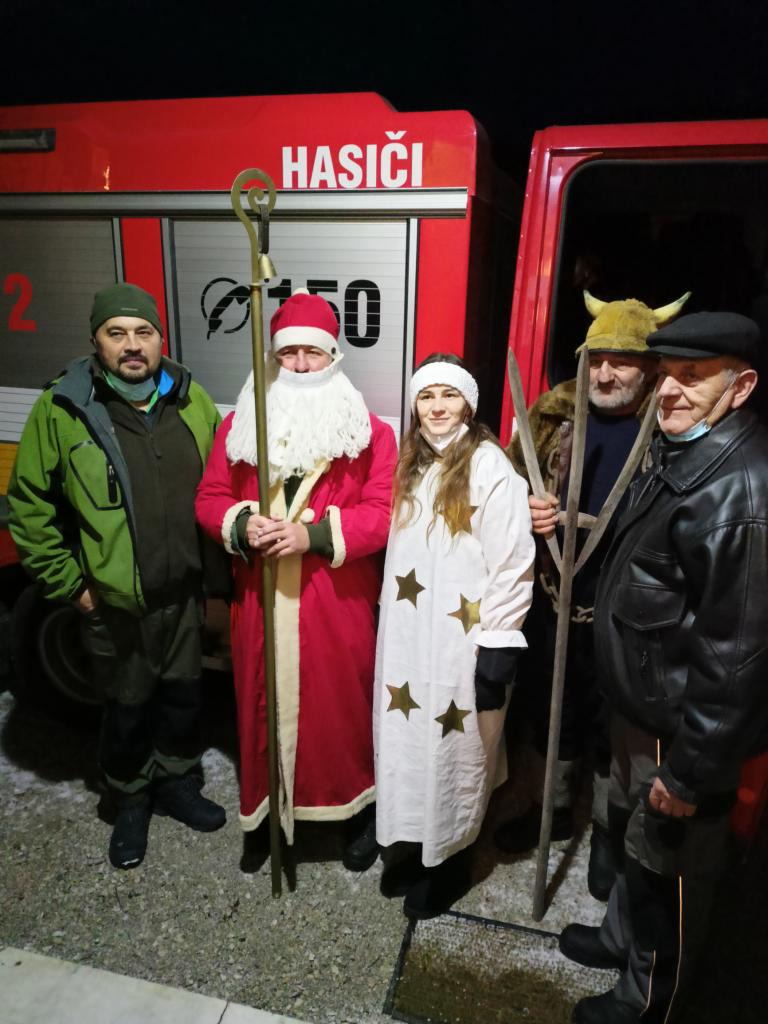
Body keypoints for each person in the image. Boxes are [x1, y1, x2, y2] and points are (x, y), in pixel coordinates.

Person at [559, 311, 768, 1024]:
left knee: (669, 869)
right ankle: (621, 941)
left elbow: (736, 654)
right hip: (644, 710)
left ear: (741, 387)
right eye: (668, 374)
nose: (671, 390)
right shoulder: (684, 450)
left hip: (679, 732)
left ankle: (650, 1001)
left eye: (693, 376)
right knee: (634, 842)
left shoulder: (741, 493)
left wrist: (689, 771)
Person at [8, 282, 226, 870]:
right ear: (96, 342)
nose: (132, 345)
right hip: (114, 603)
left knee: (183, 697)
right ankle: (130, 798)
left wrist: (220, 584)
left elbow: (220, 490)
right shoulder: (64, 408)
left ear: (160, 340)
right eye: (117, 333)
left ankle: (177, 782)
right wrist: (74, 589)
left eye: (143, 332)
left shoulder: (192, 400)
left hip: (183, 596)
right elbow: (28, 506)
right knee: (127, 706)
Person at [495, 291, 688, 901]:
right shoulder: (553, 417)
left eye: (621, 361)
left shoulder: (669, 428)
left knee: (615, 728)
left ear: (649, 367)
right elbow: (504, 487)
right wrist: (526, 508)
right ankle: (549, 808)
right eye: (597, 359)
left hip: (629, 613)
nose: (605, 374)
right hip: (556, 599)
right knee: (554, 709)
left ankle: (607, 830)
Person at [195, 288, 397, 869]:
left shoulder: (371, 433)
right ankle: (265, 814)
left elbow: (383, 511)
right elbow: (210, 497)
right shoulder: (241, 426)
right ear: (274, 358)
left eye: (313, 353)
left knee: (342, 709)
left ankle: (353, 810)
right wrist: (242, 523)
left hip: (335, 599)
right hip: (260, 599)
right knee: (260, 703)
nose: (302, 365)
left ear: (334, 356)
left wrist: (314, 536)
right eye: (289, 353)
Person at [374, 354, 535, 918]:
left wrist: (499, 642)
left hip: (461, 644)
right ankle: (419, 844)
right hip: (409, 642)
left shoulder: (490, 466)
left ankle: (453, 859)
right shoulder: (413, 464)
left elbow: (513, 561)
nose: (437, 407)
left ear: (468, 403)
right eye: (426, 396)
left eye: (449, 395)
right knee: (409, 742)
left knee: (457, 750)